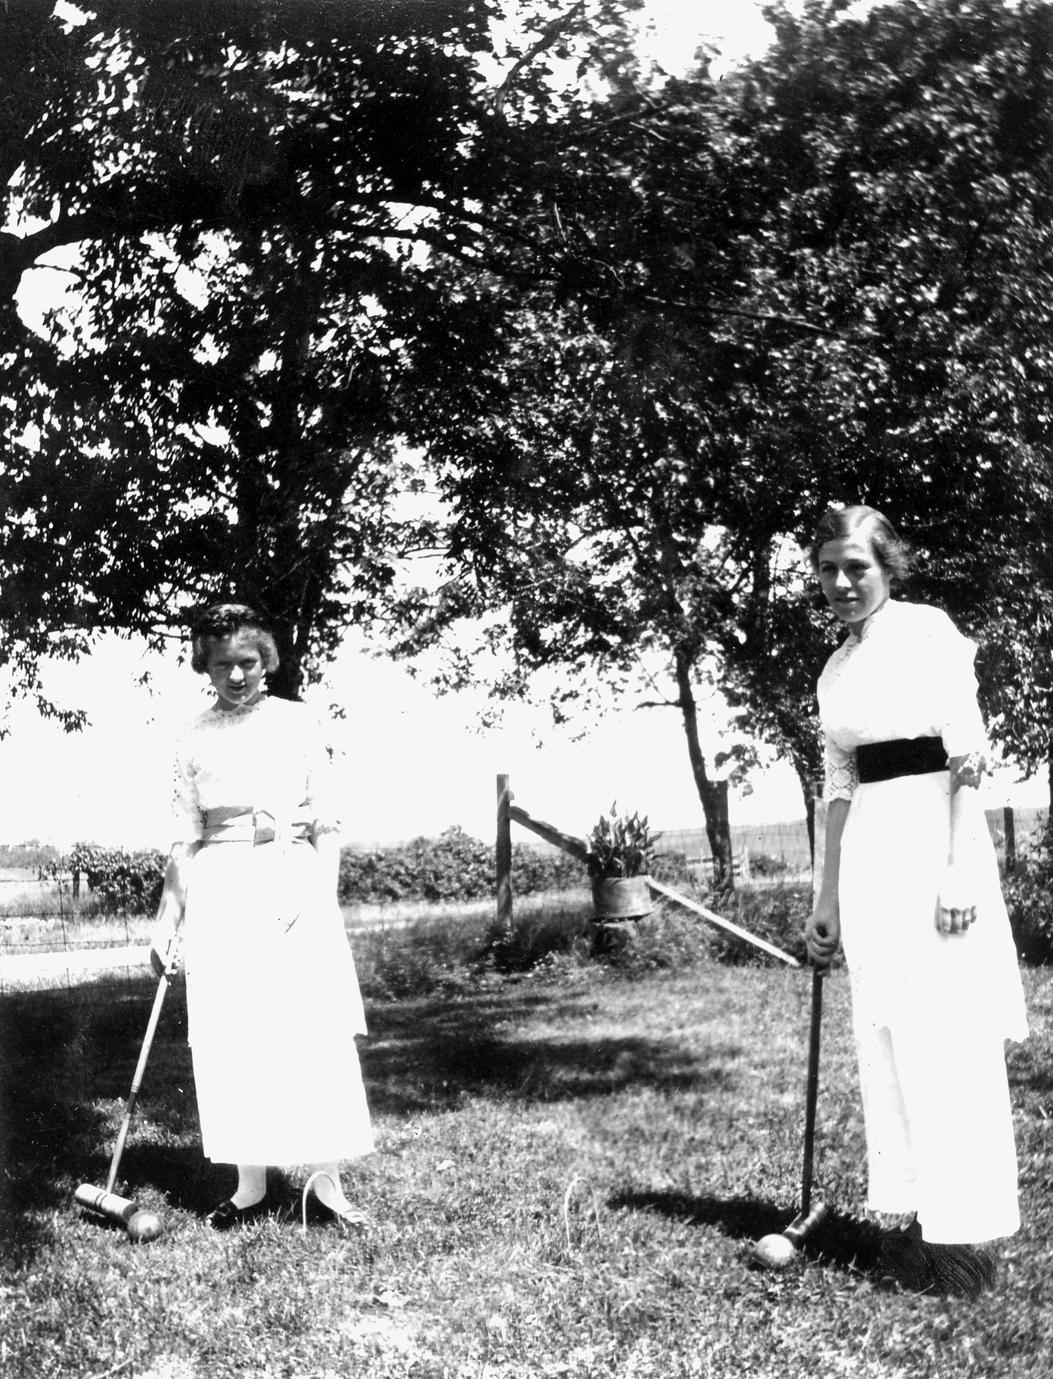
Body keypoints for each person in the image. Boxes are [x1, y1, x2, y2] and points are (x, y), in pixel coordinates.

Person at [804, 505, 1027, 1295]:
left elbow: (968, 756)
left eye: (855, 567)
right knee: (890, 1037)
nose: (838, 582)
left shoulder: (929, 630)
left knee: (947, 1036)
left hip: (937, 845)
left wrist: (959, 870)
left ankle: (966, 1242)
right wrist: (825, 894)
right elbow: (836, 786)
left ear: (887, 567)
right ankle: (917, 1222)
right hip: (868, 860)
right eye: (827, 567)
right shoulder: (832, 670)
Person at [151, 602, 374, 1229]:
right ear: (206, 666)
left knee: (309, 1028)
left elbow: (327, 820)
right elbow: (183, 836)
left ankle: (326, 1185)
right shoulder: (191, 734)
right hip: (222, 887)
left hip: (293, 879)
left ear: (266, 661)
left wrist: (319, 897)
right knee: (234, 1033)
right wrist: (168, 921)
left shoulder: (299, 722)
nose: (237, 675)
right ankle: (249, 1185)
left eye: (247, 662)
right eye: (222, 664)